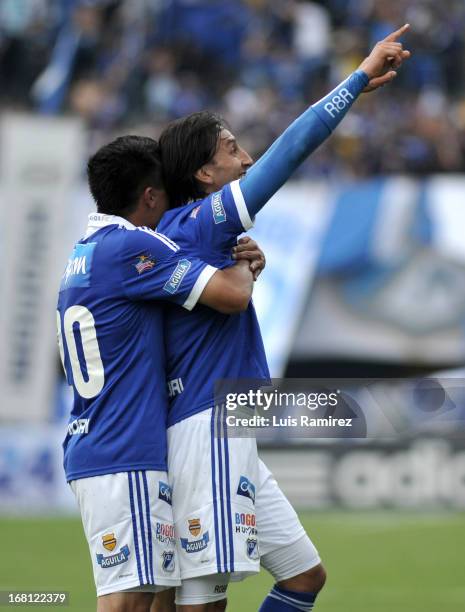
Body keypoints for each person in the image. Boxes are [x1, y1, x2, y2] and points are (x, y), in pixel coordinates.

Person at [154, 25, 411, 611]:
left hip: (229, 426)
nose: (246, 159)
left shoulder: (201, 238)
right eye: (232, 151)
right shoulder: (200, 221)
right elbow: (290, 151)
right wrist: (359, 76)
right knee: (203, 603)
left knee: (303, 577)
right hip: (207, 426)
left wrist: (243, 267)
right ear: (204, 175)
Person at [56, 135, 265, 612]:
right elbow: (231, 295)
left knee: (158, 601)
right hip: (123, 450)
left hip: (107, 443)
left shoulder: (82, 252)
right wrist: (245, 265)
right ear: (150, 197)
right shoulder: (134, 246)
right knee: (126, 603)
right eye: (165, 194)